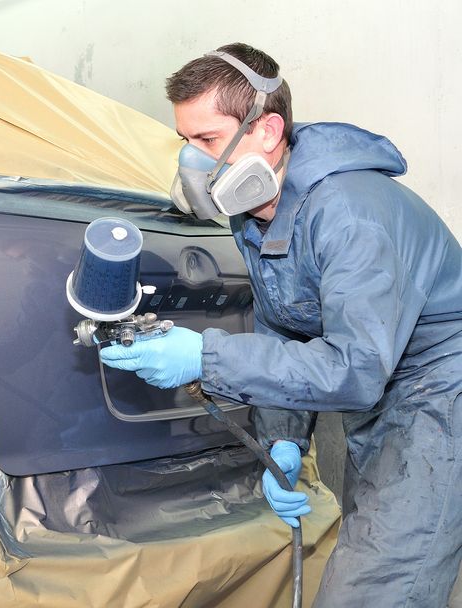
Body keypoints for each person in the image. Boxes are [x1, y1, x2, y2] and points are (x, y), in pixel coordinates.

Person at [99, 42, 462, 607]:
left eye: (207, 141)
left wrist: (206, 357)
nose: (191, 163)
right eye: (184, 142)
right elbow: (284, 324)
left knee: (376, 589)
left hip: (442, 398)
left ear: (267, 131)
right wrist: (284, 439)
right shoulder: (259, 215)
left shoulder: (349, 214)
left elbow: (355, 368)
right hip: (390, 398)